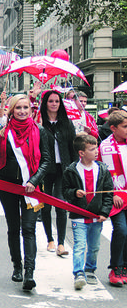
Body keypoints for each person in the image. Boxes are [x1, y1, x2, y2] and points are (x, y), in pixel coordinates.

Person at [0, 94, 51, 291]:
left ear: (31, 109)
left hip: (31, 187)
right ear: (12, 110)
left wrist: (34, 181)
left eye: (25, 107)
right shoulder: (3, 131)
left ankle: (29, 272)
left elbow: (46, 160)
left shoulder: (40, 131)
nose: (22, 111)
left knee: (28, 229)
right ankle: (16, 267)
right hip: (8, 186)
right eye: (18, 108)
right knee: (13, 228)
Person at [62, 134, 113, 290]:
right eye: (92, 149)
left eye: (96, 147)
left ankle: (90, 269)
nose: (96, 151)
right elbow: (65, 191)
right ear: (81, 153)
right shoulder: (71, 170)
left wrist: (105, 212)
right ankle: (78, 273)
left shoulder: (103, 169)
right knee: (79, 246)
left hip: (96, 216)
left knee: (94, 246)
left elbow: (108, 193)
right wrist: (74, 192)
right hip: (78, 215)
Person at [39, 90, 75, 256]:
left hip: (63, 169)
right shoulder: (39, 124)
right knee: (45, 207)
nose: (54, 104)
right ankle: (50, 240)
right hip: (45, 170)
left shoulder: (67, 124)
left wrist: (74, 169)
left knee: (60, 204)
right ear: (46, 103)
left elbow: (73, 148)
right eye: (51, 101)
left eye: (57, 101)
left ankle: (61, 243)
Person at [99, 110, 127, 286]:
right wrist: (113, 193)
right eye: (124, 127)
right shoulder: (104, 147)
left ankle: (125, 267)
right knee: (121, 230)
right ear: (113, 128)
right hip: (116, 197)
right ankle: (115, 267)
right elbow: (102, 175)